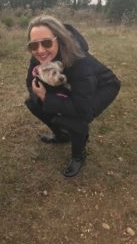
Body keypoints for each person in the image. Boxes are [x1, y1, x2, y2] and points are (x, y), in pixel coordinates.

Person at [25, 15, 120, 178]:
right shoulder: (40, 56)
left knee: (77, 119)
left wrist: (48, 98)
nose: (40, 50)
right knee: (34, 103)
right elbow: (30, 83)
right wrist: (43, 97)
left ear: (59, 39)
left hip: (103, 87)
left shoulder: (79, 63)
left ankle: (78, 154)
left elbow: (82, 109)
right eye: (34, 45)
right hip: (73, 86)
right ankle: (62, 135)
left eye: (47, 42)